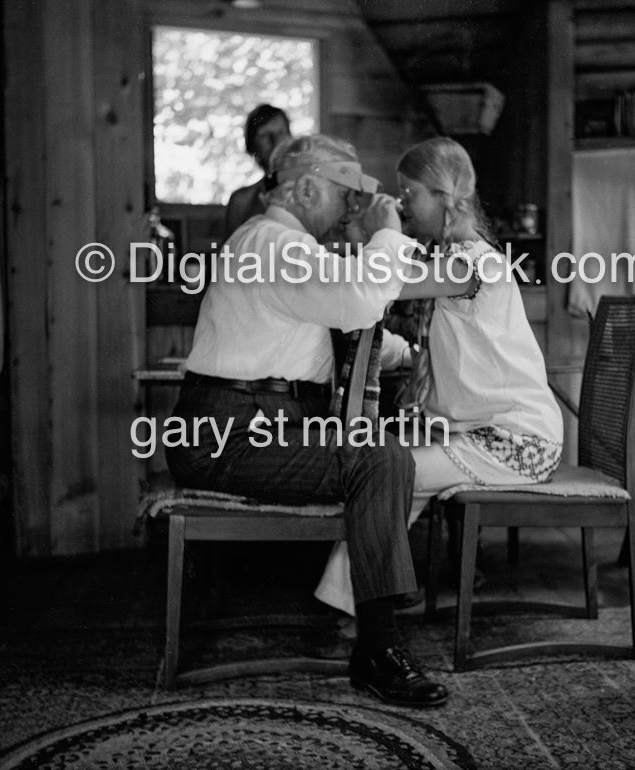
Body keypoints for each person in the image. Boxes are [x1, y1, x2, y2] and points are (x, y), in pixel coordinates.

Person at [167, 134, 468, 709]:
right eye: (345, 194)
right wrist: (386, 230)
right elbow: (358, 300)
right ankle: (379, 649)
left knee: (381, 452)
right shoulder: (272, 242)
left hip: (255, 424)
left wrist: (410, 354)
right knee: (380, 458)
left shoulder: (285, 248)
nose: (352, 207)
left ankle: (375, 631)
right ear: (305, 187)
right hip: (231, 433)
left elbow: (342, 327)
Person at [315, 136, 564, 616]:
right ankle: (367, 597)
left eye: (410, 195)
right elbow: (377, 282)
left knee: (391, 474)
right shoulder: (452, 260)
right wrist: (365, 239)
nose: (404, 206)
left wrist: (380, 230)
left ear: (445, 196)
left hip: (516, 440)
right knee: (390, 465)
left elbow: (383, 287)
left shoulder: (473, 263)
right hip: (481, 432)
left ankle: (351, 607)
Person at [223, 104, 291, 240]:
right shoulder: (242, 201)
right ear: (252, 145)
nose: (275, 141)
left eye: (281, 133)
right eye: (264, 135)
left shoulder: (308, 191)